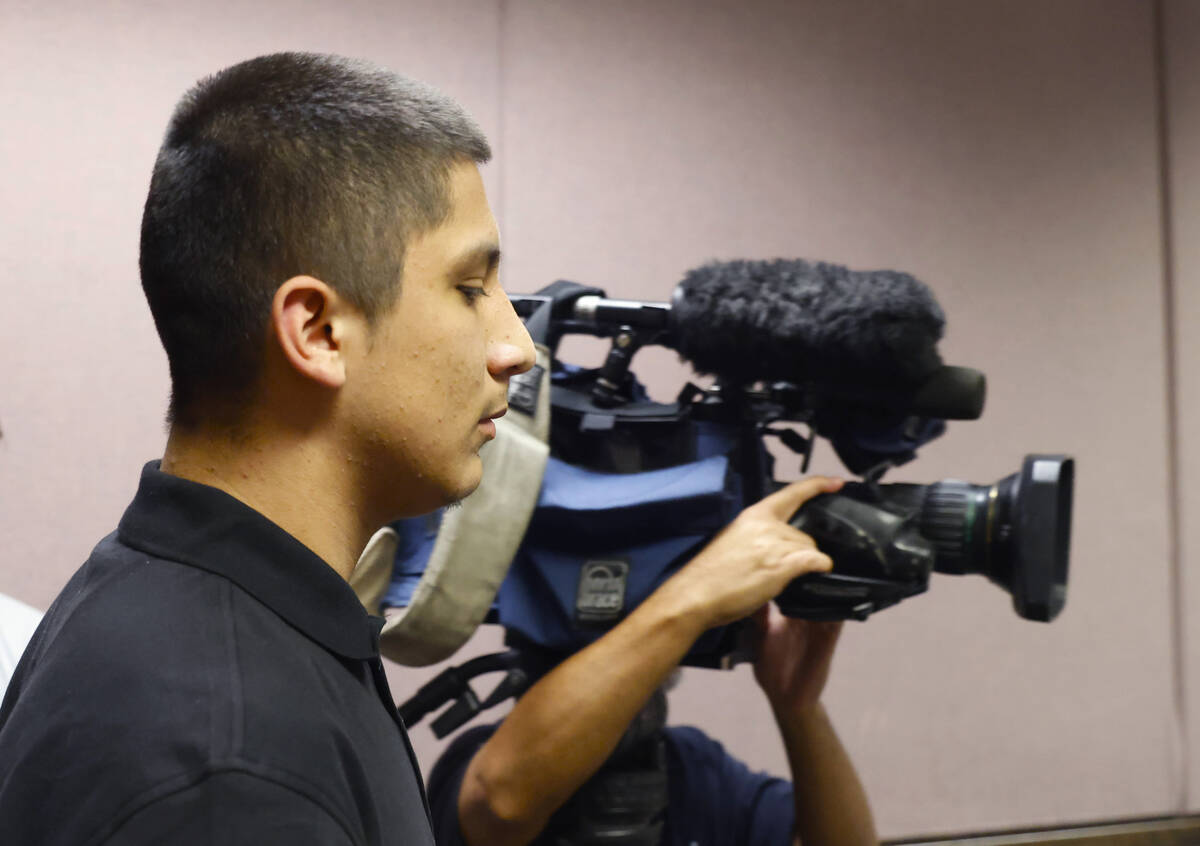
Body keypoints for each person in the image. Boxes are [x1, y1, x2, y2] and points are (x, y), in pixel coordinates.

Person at [0, 52, 534, 845]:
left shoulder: (199, 609)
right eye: (469, 288)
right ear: (317, 332)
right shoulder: (231, 770)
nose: (515, 346)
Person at [424, 478, 879, 846]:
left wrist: (798, 709)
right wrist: (694, 597)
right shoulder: (483, 760)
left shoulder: (697, 774)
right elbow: (503, 802)